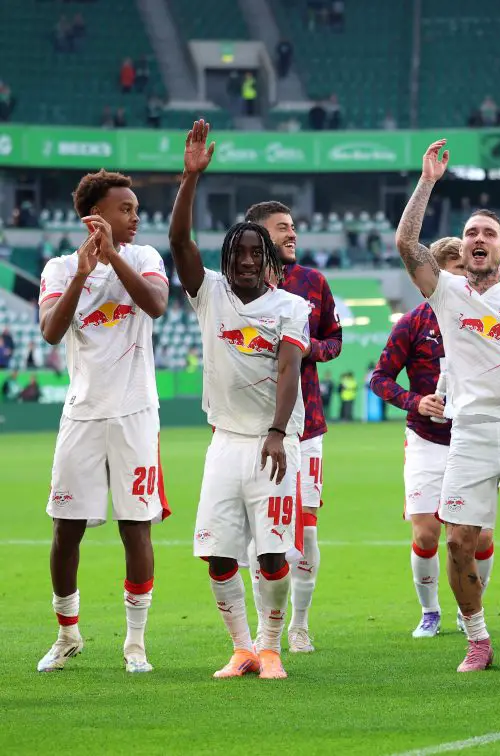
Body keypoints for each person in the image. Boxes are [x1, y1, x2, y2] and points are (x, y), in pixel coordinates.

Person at [394, 139, 500, 673]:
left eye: (488, 233)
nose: (478, 240)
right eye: (470, 233)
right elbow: (406, 243)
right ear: (462, 249)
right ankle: (477, 639)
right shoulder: (445, 293)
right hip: (467, 433)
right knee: (459, 544)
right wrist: (427, 182)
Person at [170, 120, 311, 680]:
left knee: (272, 554)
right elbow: (179, 242)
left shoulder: (290, 308)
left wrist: (278, 432)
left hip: (275, 443)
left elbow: (289, 368)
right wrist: (190, 177)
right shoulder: (210, 295)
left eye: (257, 253)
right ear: (228, 256)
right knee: (218, 554)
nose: (248, 261)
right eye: (240, 252)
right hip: (225, 443)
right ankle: (243, 647)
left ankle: (273, 648)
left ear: (269, 259)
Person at [36, 170, 170, 673]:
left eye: (136, 209)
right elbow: (51, 332)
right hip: (83, 415)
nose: (135, 217)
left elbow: (156, 305)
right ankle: (67, 634)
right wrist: (82, 273)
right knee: (65, 530)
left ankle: (135, 644)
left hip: (136, 414)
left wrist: (112, 256)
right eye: (125, 209)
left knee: (136, 531)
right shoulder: (57, 268)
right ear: (94, 216)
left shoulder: (144, 258)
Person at [370, 237, 496, 638]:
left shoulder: (488, 320)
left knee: (482, 536)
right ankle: (430, 612)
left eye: (465, 272)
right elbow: (379, 378)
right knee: (426, 533)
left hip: (475, 437)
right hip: (426, 439)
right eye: (453, 273)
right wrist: (415, 402)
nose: (463, 280)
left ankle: (469, 609)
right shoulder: (413, 323)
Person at [242, 200, 343, 654]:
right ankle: (263, 626)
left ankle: (299, 625)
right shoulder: (236, 285)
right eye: (282, 228)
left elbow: (334, 340)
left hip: (308, 424)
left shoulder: (313, 283)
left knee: (305, 531)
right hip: (248, 424)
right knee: (256, 531)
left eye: (294, 227)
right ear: (258, 234)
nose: (292, 234)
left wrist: (304, 349)